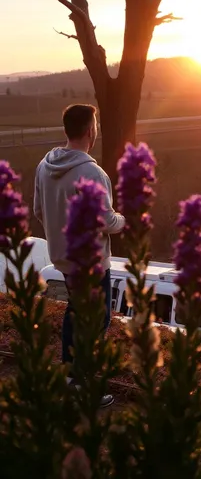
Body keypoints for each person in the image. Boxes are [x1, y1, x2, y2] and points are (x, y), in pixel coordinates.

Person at [34, 104, 125, 408]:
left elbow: (38, 209)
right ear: (90, 130)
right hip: (91, 262)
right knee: (97, 321)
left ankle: (71, 378)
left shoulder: (44, 165)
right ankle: (85, 386)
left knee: (76, 311)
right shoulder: (92, 173)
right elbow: (107, 221)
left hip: (61, 257)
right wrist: (126, 220)